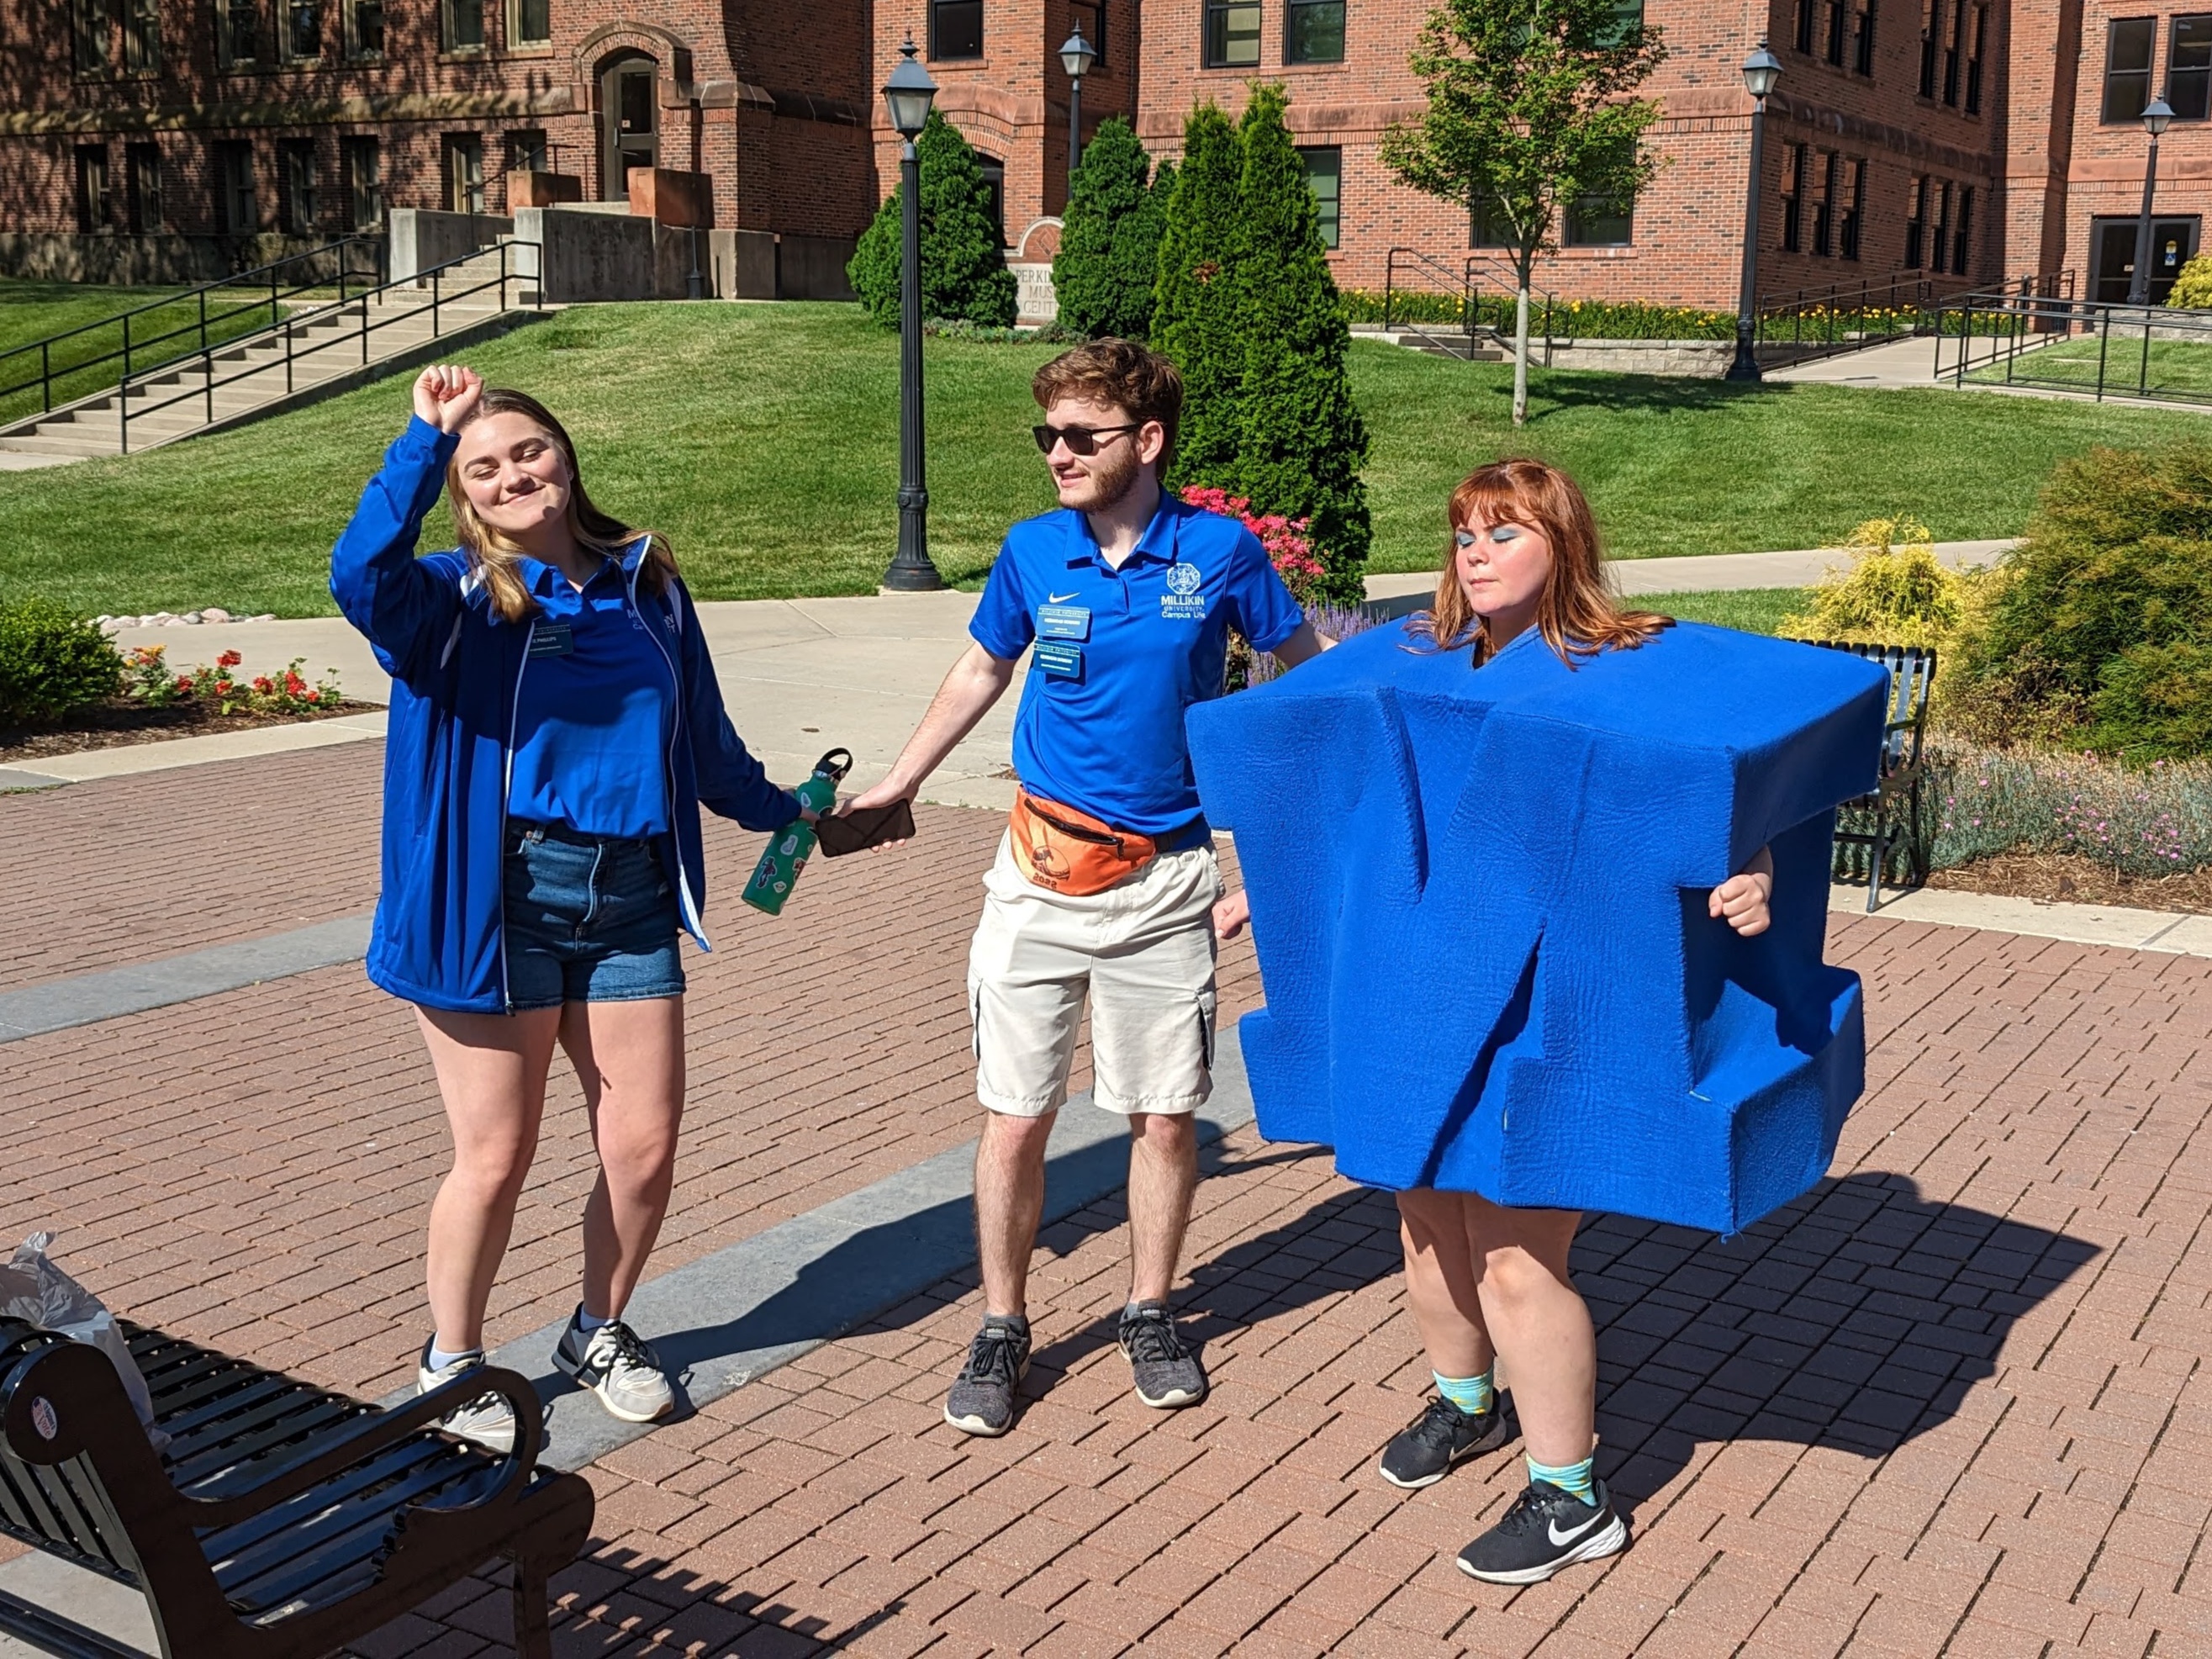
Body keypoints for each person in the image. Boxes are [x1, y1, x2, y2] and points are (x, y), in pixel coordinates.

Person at [1217, 457, 1775, 1584]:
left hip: (1553, 1002)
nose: (1477, 553)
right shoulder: (1412, 658)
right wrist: (1270, 886)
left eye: (1506, 532)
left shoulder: (1629, 667)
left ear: (1563, 544)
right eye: (1465, 532)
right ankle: (1468, 1404)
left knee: (1517, 1252)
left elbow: (1722, 778)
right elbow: (1346, 791)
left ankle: (1574, 1496)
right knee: (1426, 1222)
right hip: (1422, 993)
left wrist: (1750, 866)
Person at [840, 339, 1328, 1437]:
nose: (1056, 452)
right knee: (1016, 1119)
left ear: (1147, 441)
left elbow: (1307, 672)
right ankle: (1003, 1323)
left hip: (1165, 885)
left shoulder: (1221, 552)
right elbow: (980, 668)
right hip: (1037, 877)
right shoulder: (1031, 554)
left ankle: (1149, 1311)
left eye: (1079, 435)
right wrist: (899, 780)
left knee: (1164, 1118)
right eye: (1045, 434)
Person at [330, 364, 806, 1448]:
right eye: (483, 468)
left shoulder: (649, 585)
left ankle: (598, 1329)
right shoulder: (447, 602)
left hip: (631, 892)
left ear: (567, 454)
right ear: (461, 495)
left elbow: (705, 743)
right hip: (496, 902)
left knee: (644, 1146)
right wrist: (421, 439)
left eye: (528, 450)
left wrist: (791, 815)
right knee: (496, 1156)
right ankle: (450, 1364)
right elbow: (359, 572)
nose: (513, 475)